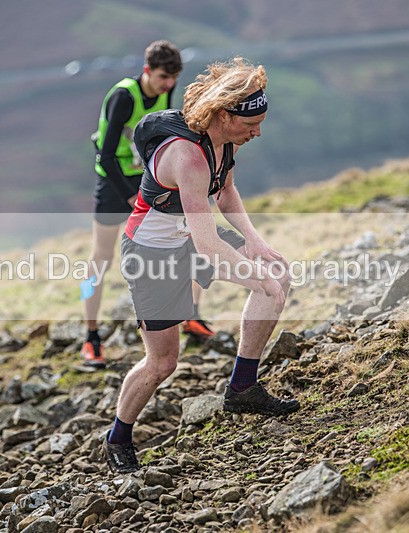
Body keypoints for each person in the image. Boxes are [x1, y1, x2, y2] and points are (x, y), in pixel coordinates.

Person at [103, 57, 300, 473]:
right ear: (225, 115)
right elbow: (209, 246)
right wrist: (253, 272)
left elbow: (226, 193)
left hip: (190, 238)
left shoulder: (225, 142)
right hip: (151, 254)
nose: (257, 132)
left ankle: (242, 387)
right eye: (251, 125)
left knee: (276, 276)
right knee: (163, 364)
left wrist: (256, 243)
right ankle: (118, 436)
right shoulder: (187, 156)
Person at [81, 40, 215, 369]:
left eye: (172, 79)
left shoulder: (166, 90)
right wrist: (130, 195)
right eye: (161, 78)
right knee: (100, 258)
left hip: (148, 181)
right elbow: (106, 154)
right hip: (114, 183)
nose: (167, 85)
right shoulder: (124, 97)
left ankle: (189, 316)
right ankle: (90, 335)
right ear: (146, 71)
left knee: (187, 241)